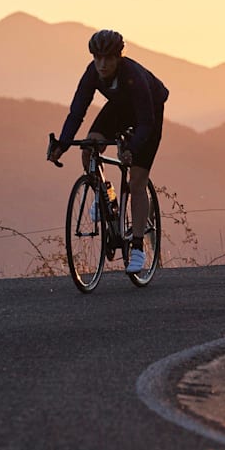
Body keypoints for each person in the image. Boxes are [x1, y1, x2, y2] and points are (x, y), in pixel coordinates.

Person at [48, 29, 169, 273]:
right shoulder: (92, 73)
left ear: (118, 57)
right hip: (120, 107)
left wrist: (131, 150)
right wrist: (62, 143)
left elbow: (146, 122)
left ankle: (137, 247)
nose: (102, 64)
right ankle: (106, 195)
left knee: (136, 180)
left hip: (149, 113)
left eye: (108, 58)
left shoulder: (133, 74)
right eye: (97, 58)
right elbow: (77, 111)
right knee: (89, 145)